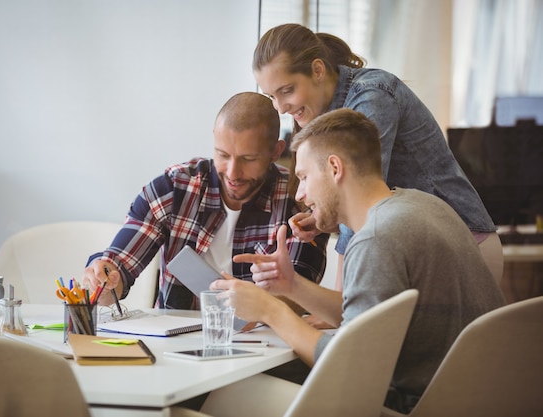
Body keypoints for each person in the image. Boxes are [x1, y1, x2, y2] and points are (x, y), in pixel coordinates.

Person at [211, 108, 506, 413]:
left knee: (226, 393)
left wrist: (270, 310)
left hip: (416, 406)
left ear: (335, 168)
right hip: (479, 400)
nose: (300, 192)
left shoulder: (377, 238)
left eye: (304, 177)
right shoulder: (425, 206)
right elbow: (371, 323)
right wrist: (291, 285)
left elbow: (349, 370)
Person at [252, 23, 504, 285]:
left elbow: (359, 196)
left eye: (287, 90)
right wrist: (320, 218)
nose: (280, 107)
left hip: (463, 243)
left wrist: (341, 299)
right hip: (421, 246)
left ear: (317, 70)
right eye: (272, 96)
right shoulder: (323, 112)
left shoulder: (372, 96)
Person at [82, 91, 327, 311]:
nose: (233, 173)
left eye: (248, 159)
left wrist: (260, 304)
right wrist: (104, 279)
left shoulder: (299, 199)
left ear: (276, 151)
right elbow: (117, 267)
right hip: (176, 348)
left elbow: (303, 298)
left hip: (269, 347)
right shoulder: (172, 189)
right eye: (222, 155)